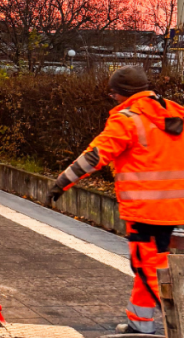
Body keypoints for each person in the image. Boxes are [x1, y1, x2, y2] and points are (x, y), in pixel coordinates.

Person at [49, 65, 184, 335]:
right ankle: (140, 323)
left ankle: (178, 320)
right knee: (151, 265)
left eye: (113, 94)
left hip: (144, 210)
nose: (113, 99)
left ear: (122, 92)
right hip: (173, 208)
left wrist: (62, 182)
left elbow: (95, 156)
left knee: (149, 271)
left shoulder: (128, 119)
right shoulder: (174, 113)